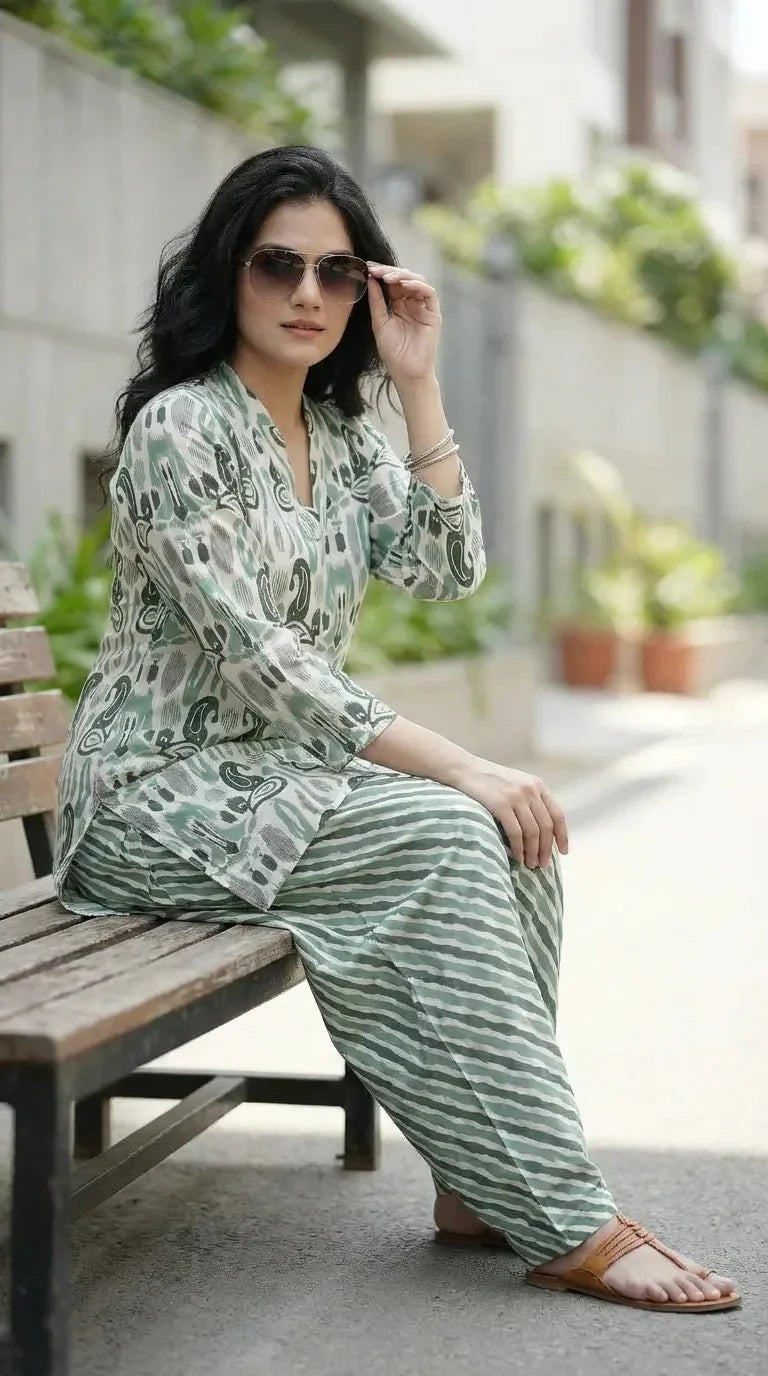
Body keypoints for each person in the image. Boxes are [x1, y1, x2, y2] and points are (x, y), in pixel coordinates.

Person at [54, 146, 739, 1313]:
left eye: (336, 271)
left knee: (517, 834)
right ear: (227, 273)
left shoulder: (340, 434)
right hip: (149, 798)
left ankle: (478, 1181)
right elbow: (259, 659)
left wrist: (418, 384)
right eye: (277, 265)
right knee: (453, 824)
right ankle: (561, 1209)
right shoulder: (181, 430)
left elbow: (448, 565)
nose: (307, 293)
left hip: (270, 788)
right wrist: (461, 761)